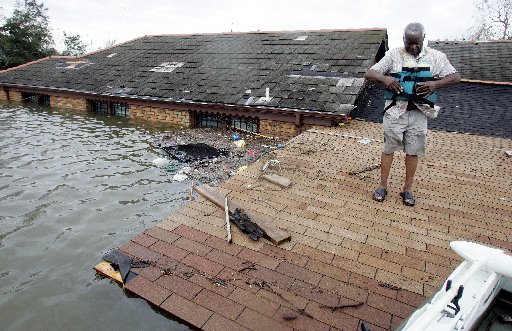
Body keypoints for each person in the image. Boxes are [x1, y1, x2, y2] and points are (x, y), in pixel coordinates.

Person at [364, 22, 460, 206]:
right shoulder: (393, 55)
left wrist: (435, 84)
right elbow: (370, 73)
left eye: (417, 43)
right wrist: (385, 78)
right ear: (403, 39)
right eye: (409, 43)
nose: (413, 47)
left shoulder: (436, 57)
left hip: (419, 113)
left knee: (413, 151)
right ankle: (382, 186)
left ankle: (407, 190)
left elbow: (455, 77)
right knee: (388, 150)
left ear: (423, 39)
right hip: (395, 111)